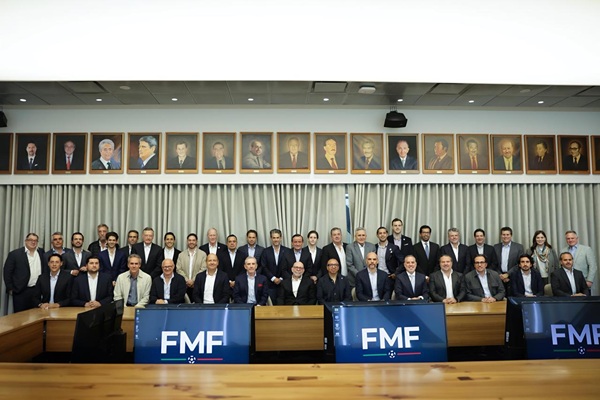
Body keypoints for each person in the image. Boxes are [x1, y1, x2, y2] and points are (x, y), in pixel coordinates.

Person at [3, 233, 46, 313]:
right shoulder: (15, 254)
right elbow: (7, 272)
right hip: (21, 291)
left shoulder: (41, 252)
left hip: (37, 291)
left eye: (35, 240)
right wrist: (10, 288)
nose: (33, 242)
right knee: (20, 316)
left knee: (37, 315)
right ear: (26, 241)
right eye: (30, 240)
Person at [259, 228, 293, 303]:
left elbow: (289, 266)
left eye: (277, 237)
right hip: (270, 283)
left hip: (284, 283)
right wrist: (273, 278)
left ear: (281, 238)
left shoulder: (288, 251)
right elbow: (264, 266)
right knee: (273, 305)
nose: (276, 240)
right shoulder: (265, 251)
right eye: (274, 238)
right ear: (271, 238)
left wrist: (281, 278)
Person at [560, 230, 597, 295]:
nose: (570, 240)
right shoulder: (563, 251)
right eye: (568, 238)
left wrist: (589, 280)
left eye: (572, 238)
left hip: (583, 282)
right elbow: (561, 267)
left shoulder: (586, 249)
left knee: (585, 300)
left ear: (577, 238)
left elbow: (593, 266)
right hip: (568, 284)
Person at [175, 233, 207, 302]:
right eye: (189, 240)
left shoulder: (203, 254)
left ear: (196, 242)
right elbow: (178, 269)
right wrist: (187, 280)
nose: (191, 242)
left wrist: (193, 280)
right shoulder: (181, 255)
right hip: (184, 286)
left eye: (193, 240)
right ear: (187, 241)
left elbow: (203, 269)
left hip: (197, 285)